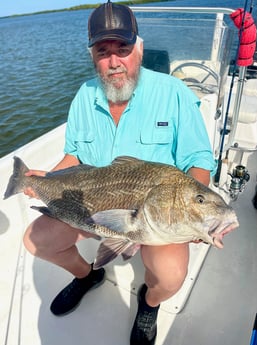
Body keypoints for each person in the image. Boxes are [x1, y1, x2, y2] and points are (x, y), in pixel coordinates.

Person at [23, 2, 216, 344]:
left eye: (122, 49)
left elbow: (198, 160)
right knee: (36, 239)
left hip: (152, 213)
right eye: (103, 51)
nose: (114, 61)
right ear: (92, 56)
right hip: (90, 207)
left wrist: (194, 210)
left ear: (138, 49)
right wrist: (44, 181)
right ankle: (88, 277)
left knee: (170, 276)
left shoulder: (173, 93)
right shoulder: (84, 96)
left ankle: (149, 302)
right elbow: (75, 155)